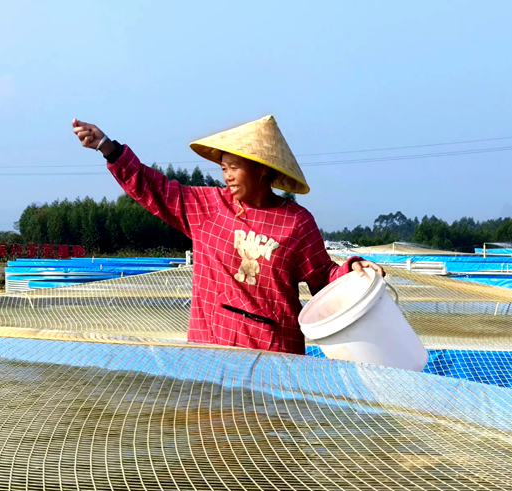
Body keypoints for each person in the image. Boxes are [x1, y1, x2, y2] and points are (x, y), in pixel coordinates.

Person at [72, 115, 385, 355]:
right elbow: (151, 187)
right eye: (224, 168)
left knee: (272, 437)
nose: (228, 176)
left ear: (263, 169)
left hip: (275, 358)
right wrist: (107, 148)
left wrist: (351, 270)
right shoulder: (207, 207)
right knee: (210, 434)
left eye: (235, 167)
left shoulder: (296, 223)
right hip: (212, 354)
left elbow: (323, 276)